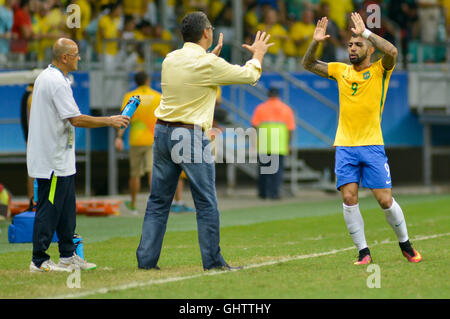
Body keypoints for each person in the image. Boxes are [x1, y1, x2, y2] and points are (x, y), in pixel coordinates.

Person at [136, 11, 273, 271]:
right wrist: (258, 54)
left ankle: (146, 260)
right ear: (207, 33)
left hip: (163, 132)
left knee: (158, 201)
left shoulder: (170, 59)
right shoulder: (207, 64)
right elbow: (249, 76)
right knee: (206, 201)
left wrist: (211, 58)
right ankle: (213, 262)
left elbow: (194, 73)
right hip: (189, 135)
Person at [301, 14, 422, 265]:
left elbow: (392, 50)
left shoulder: (380, 70)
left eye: (357, 45)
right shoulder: (340, 70)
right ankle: (363, 252)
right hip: (345, 146)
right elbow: (308, 63)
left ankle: (406, 245)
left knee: (385, 200)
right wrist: (315, 42)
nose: (352, 49)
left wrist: (366, 32)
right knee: (348, 198)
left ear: (369, 49)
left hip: (372, 145)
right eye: (350, 45)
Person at [27, 37, 130, 272]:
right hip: (52, 160)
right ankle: (39, 260)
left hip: (61, 159)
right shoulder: (55, 81)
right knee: (49, 208)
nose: (80, 58)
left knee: (66, 210)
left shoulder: (53, 77)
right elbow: (76, 118)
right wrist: (110, 120)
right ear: (65, 57)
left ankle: (67, 255)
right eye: (76, 54)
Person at [115, 71, 160, 215]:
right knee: (152, 171)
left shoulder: (131, 96)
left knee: (135, 174)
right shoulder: (157, 96)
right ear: (147, 80)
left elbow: (125, 117)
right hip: (153, 139)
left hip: (136, 140)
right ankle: (156, 205)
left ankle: (133, 205)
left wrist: (119, 137)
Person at [251, 87, 295, 200]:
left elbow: (254, 125)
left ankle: (263, 193)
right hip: (279, 144)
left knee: (263, 169)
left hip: (264, 142)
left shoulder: (260, 108)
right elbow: (290, 129)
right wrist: (288, 144)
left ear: (268, 94)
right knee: (277, 170)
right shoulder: (286, 109)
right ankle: (275, 193)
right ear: (278, 95)